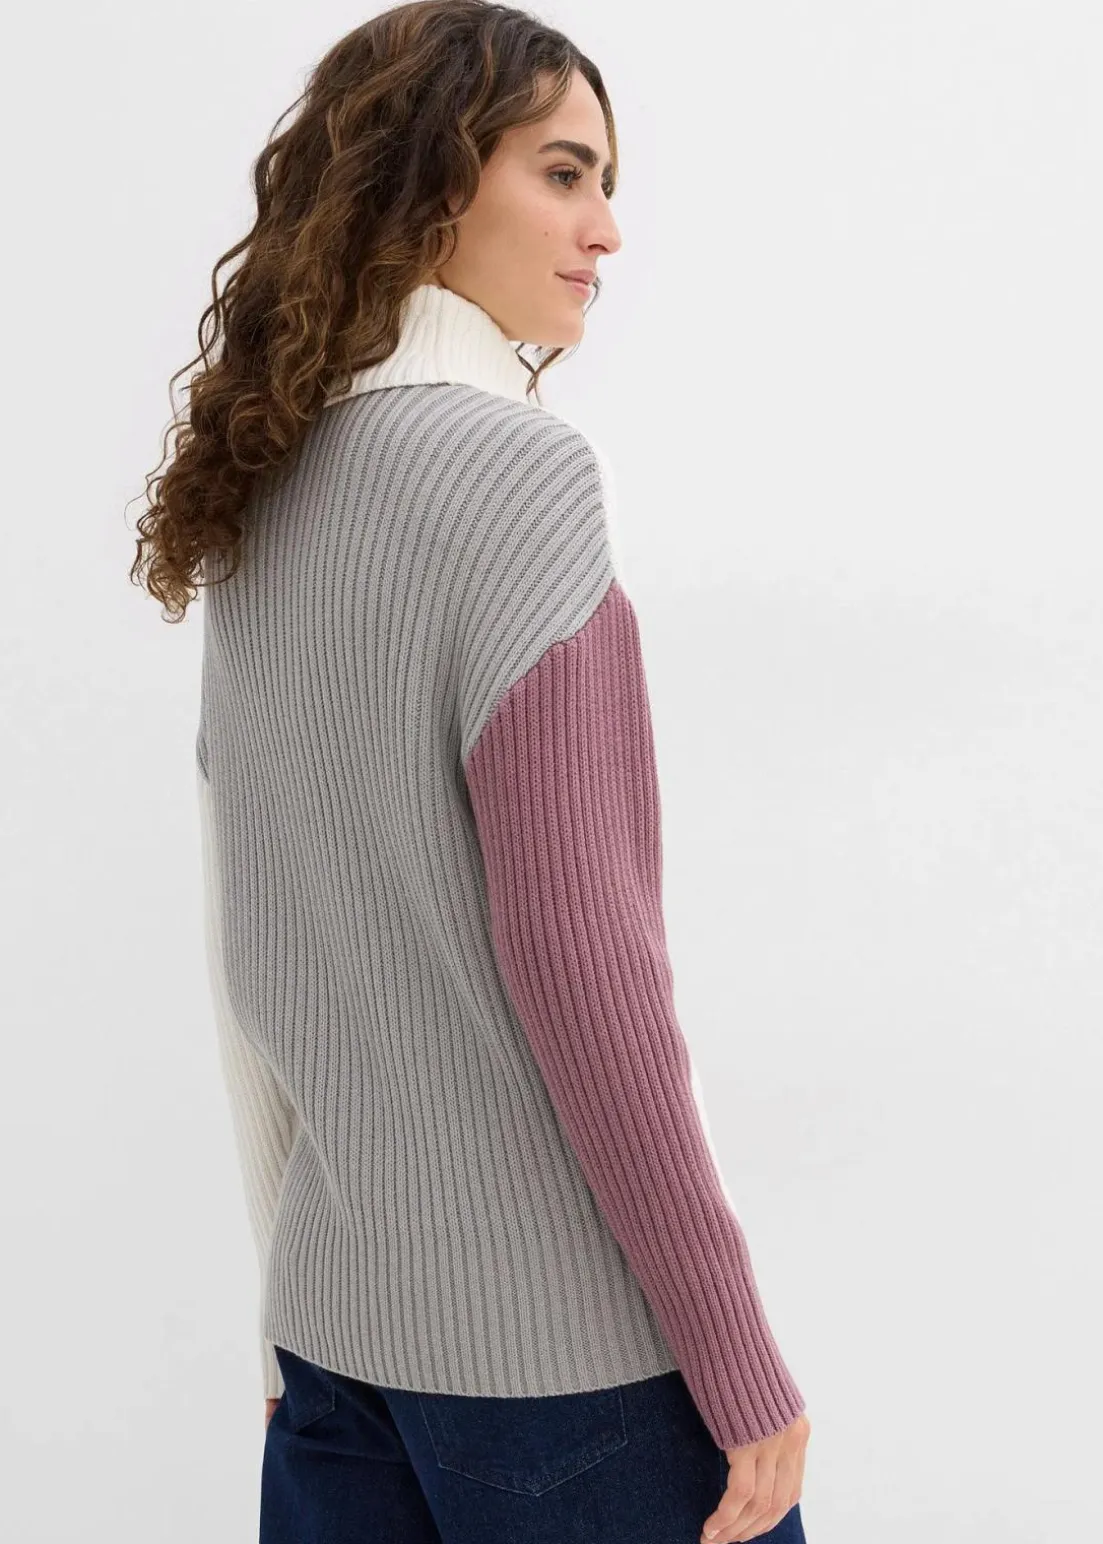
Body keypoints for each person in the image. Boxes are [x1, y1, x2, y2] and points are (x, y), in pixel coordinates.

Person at [129, 3, 811, 1539]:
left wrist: (280, 1322)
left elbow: (249, 953)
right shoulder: (516, 470)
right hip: (567, 1371)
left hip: (332, 1347)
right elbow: (584, 961)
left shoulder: (265, 489)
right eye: (564, 174)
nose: (607, 229)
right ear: (433, 179)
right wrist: (735, 1355)